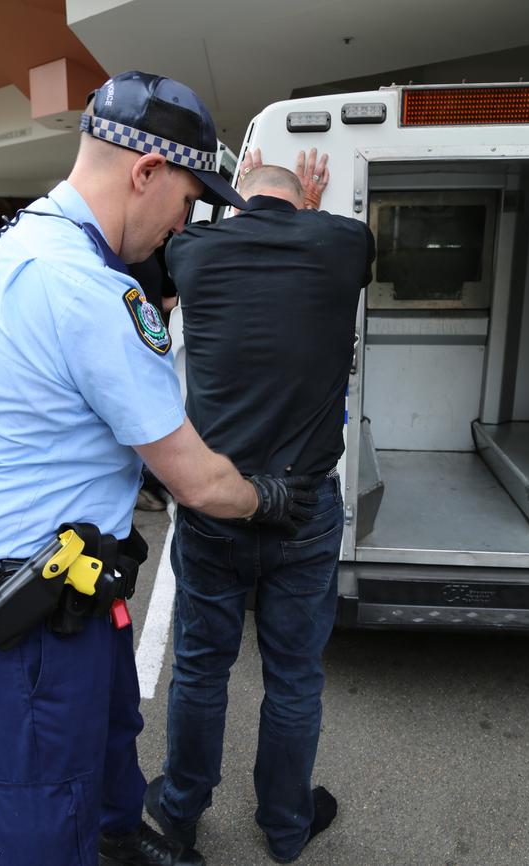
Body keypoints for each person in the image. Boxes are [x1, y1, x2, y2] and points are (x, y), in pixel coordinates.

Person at [0, 73, 317, 866]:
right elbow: (196, 479)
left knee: (105, 749)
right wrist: (265, 498)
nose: (181, 224)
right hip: (22, 619)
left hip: (54, 593)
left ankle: (121, 845)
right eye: (190, 199)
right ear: (146, 173)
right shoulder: (84, 287)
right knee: (39, 819)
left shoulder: (29, 241)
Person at [144, 147, 376, 863]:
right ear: (306, 194)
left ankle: (180, 811)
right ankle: (284, 825)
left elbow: (181, 270)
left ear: (238, 197)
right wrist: (309, 206)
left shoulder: (195, 250)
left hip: (218, 506)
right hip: (306, 510)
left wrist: (252, 203)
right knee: (295, 677)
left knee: (202, 666)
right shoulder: (346, 244)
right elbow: (322, 232)